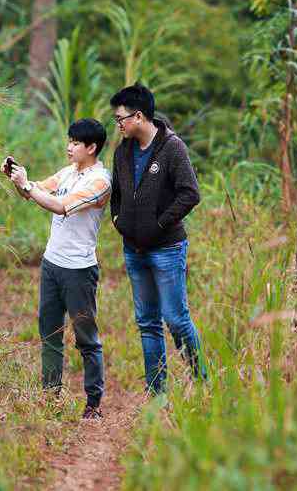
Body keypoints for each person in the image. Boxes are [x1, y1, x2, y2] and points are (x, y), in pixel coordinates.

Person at [1, 117, 111, 420]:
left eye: (75, 143)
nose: (69, 147)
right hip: (52, 264)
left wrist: (28, 187)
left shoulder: (100, 182)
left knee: (86, 336)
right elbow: (38, 191)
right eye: (69, 141)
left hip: (78, 270)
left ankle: (93, 403)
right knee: (49, 331)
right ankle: (50, 396)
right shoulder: (68, 172)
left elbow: (61, 206)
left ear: (92, 147)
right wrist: (20, 179)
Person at [110, 84, 206, 394]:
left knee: (175, 319)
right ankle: (157, 394)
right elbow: (117, 194)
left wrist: (160, 224)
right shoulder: (123, 152)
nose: (119, 125)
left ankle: (203, 382)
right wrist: (117, 220)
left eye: (121, 118)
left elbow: (190, 193)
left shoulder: (172, 148)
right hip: (134, 250)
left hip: (166, 248)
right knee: (147, 324)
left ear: (138, 116)